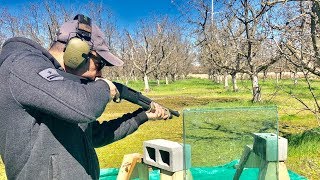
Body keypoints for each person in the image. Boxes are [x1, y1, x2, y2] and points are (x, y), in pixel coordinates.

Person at [0, 14, 169, 179]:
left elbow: (93, 135)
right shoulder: (21, 65)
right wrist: (105, 87)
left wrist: (142, 116)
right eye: (99, 63)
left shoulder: (61, 87)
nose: (100, 73)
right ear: (76, 52)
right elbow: (84, 106)